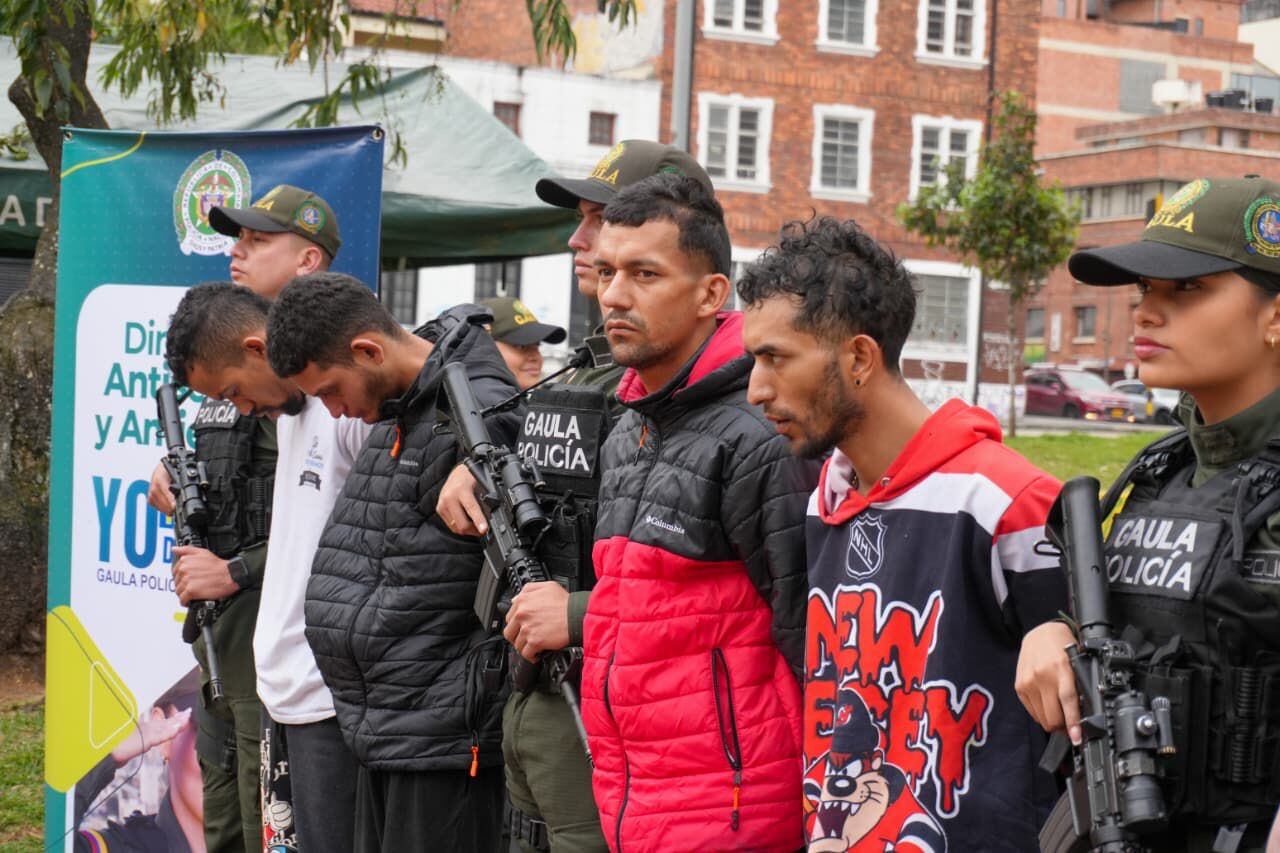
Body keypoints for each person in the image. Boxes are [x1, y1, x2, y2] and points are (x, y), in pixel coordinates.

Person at [737, 216, 1068, 851]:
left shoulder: (1005, 502)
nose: (755, 388)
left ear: (858, 357)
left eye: (775, 357)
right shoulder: (823, 499)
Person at [439, 139, 716, 853]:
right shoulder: (596, 370)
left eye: (599, 216)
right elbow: (523, 426)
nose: (578, 238)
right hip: (537, 683)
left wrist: (579, 614)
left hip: (627, 710)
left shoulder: (706, 398)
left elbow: (723, 605)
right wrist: (477, 463)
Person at [1016, 176, 1280, 852]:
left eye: (1185, 288)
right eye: (1143, 292)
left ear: (1275, 316)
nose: (1144, 314)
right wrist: (1053, 635)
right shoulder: (1161, 472)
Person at [575, 173, 814, 852]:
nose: (615, 295)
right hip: (635, 806)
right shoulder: (628, 424)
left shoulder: (762, 433)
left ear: (712, 293)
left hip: (739, 816)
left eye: (644, 273)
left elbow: (813, 643)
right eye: (606, 271)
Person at [264, 272, 520, 853]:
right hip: (386, 732)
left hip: (443, 744)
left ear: (368, 351)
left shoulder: (477, 407)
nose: (333, 411)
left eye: (330, 391)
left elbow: (513, 427)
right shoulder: (401, 411)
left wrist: (490, 460)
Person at [145, 184, 337, 853]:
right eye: (236, 239)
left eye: (257, 240)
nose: (237, 253)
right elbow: (226, 481)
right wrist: (174, 474)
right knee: (223, 822)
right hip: (222, 644)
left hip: (279, 644)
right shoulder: (236, 359)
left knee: (271, 830)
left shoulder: (315, 388)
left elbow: (317, 526)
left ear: (309, 259)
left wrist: (233, 569)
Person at [161, 280, 367, 852]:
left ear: (257, 349)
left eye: (234, 390)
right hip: (256, 667)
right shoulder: (287, 409)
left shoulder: (339, 406)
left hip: (316, 687)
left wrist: (235, 572)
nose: (242, 406)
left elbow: (346, 535)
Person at [479, 296, 566, 391]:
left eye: (537, 345)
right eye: (520, 346)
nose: (536, 357)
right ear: (484, 348)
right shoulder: (480, 401)